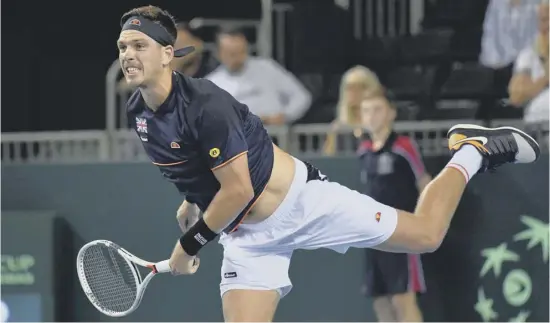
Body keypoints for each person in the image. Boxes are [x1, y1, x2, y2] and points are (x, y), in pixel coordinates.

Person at [118, 5, 541, 322]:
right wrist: (192, 204)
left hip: (302, 203)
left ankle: (472, 151)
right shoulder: (138, 114)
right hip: (247, 239)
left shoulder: (207, 104)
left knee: (427, 234)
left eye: (139, 45)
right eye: (122, 46)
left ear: (168, 53)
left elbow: (238, 189)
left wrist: (189, 244)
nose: (128, 54)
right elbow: (194, 172)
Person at [358, 89, 431, 322]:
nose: (372, 116)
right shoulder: (364, 151)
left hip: (401, 232)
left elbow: (425, 183)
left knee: (402, 299)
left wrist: (423, 222)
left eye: (378, 110)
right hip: (373, 235)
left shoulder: (403, 146)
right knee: (380, 300)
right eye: (366, 111)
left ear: (391, 113)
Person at [206, 26, 311, 125]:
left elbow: (301, 97)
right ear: (219, 54)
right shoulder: (211, 84)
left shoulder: (267, 68)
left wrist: (285, 115)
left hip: (275, 138)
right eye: (232, 54)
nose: (238, 58)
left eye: (242, 51)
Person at [324, 65, 383, 155]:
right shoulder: (337, 128)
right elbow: (328, 159)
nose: (354, 92)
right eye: (349, 88)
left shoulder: (381, 125)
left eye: (361, 87)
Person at [508, 0, 549, 124]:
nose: (547, 26)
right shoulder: (528, 55)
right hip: (541, 124)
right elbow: (516, 97)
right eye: (543, 20)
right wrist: (545, 79)